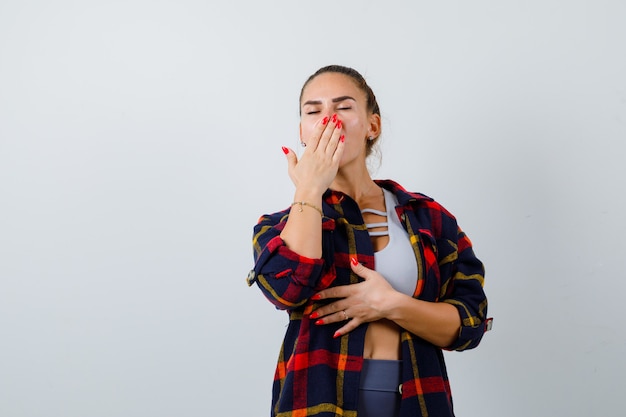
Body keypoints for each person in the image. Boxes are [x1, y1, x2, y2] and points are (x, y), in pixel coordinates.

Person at [247, 65, 490, 417]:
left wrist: (391, 305)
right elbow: (287, 291)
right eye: (314, 112)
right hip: (317, 402)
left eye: (343, 107)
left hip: (418, 400)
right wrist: (310, 188)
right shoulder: (277, 226)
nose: (328, 120)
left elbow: (471, 323)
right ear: (303, 131)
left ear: (372, 125)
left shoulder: (428, 217)